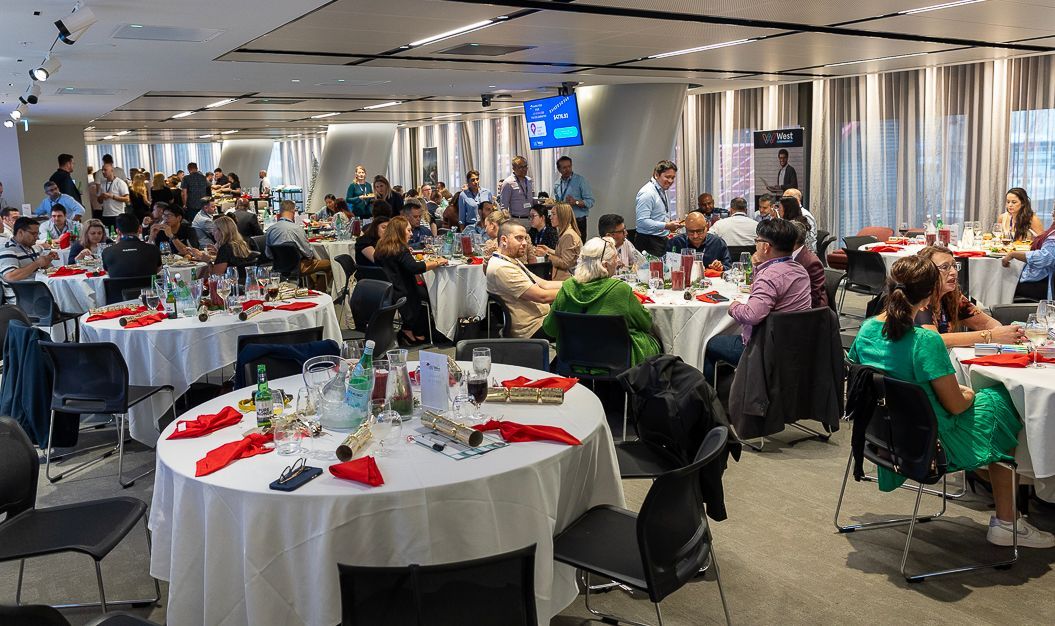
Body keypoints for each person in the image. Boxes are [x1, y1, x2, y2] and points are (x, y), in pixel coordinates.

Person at [849, 255, 1050, 548]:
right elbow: (956, 405)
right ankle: (1008, 520)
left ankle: (1003, 496)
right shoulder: (923, 341)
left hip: (882, 434)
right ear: (929, 296)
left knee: (994, 402)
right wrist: (968, 393)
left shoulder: (867, 329)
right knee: (1003, 402)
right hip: (929, 444)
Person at [702, 219, 811, 379]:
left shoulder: (769, 276)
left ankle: (712, 393)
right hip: (797, 343)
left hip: (766, 348)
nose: (755, 245)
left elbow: (751, 315)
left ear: (765, 247)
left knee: (707, 343)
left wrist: (733, 306)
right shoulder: (800, 271)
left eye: (757, 241)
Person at [543, 237, 662, 366]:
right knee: (657, 341)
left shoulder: (567, 288)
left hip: (573, 362)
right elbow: (646, 323)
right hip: (616, 363)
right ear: (605, 265)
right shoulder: (620, 290)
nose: (618, 262)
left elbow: (550, 329)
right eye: (615, 258)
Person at [913, 246, 1022, 344]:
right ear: (927, 272)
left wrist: (1006, 334)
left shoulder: (952, 296)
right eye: (945, 267)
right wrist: (990, 336)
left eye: (955, 266)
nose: (954, 272)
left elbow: (986, 323)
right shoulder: (919, 299)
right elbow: (933, 340)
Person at [374, 215, 448, 345]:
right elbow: (414, 268)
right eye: (408, 230)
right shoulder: (400, 249)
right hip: (403, 290)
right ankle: (418, 330)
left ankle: (409, 330)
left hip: (388, 288)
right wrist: (437, 262)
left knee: (424, 291)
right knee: (429, 294)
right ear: (399, 231)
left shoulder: (381, 246)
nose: (411, 233)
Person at [486, 221, 564, 339]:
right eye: (519, 238)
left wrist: (576, 282)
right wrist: (576, 290)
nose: (525, 243)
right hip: (533, 328)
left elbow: (545, 284)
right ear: (504, 240)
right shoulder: (502, 268)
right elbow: (543, 297)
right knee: (582, 323)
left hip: (541, 320)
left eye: (525, 238)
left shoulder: (509, 260)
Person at [265, 200, 331, 289]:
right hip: (298, 267)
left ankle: (310, 287)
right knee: (328, 264)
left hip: (278, 268)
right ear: (293, 211)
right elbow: (309, 254)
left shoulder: (270, 230)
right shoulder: (297, 229)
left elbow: (268, 254)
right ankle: (319, 291)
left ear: (280, 212)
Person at [0, 218, 59, 299]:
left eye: (37, 234)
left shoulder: (32, 247)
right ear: (20, 232)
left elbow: (42, 270)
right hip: (23, 297)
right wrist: (37, 263)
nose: (37, 237)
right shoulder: (7, 249)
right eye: (33, 234)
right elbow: (10, 277)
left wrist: (47, 261)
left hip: (39, 292)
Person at [174, 216, 251, 276]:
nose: (213, 233)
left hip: (230, 283)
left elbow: (216, 275)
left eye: (214, 230)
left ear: (222, 231)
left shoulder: (226, 248)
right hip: (242, 279)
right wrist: (218, 253)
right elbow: (233, 261)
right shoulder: (242, 244)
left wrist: (207, 261)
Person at [635, 160, 682, 257]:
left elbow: (659, 215)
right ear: (656, 175)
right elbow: (642, 221)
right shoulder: (647, 193)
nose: (670, 181)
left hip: (660, 240)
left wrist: (670, 224)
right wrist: (666, 225)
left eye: (673, 177)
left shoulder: (661, 189)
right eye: (667, 177)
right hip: (648, 241)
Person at [1002, 216, 1055, 301]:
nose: (1052, 213)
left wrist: (1013, 254)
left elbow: (1044, 258)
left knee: (1005, 284)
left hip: (1043, 282)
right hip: (1042, 278)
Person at [103, 213, 162, 278]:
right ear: (140, 228)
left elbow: (108, 272)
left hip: (119, 285)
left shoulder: (107, 251)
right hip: (147, 284)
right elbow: (158, 270)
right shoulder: (153, 249)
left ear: (118, 231)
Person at [535, 202, 582, 281]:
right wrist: (548, 250)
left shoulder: (568, 236)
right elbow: (564, 254)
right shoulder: (566, 233)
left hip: (565, 280)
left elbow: (565, 263)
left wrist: (546, 255)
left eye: (553, 214)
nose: (550, 217)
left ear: (562, 216)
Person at [552, 156, 594, 237]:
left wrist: (576, 202)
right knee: (563, 244)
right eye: (564, 167)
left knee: (578, 244)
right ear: (559, 169)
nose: (568, 169)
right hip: (563, 222)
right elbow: (558, 203)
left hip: (578, 221)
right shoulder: (557, 184)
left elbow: (590, 202)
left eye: (569, 166)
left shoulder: (580, 181)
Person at [790, 220, 827, 308]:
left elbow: (814, 298)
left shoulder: (812, 262)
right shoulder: (783, 255)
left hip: (811, 309)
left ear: (792, 240)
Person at [499, 156, 534, 220]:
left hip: (530, 219)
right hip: (516, 219)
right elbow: (504, 207)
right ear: (514, 168)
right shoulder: (508, 182)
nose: (524, 169)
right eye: (521, 167)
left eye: (525, 166)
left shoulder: (529, 180)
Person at [97, 164, 130, 230]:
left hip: (117, 214)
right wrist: (102, 197)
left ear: (112, 170)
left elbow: (127, 199)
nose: (103, 172)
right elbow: (99, 201)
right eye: (102, 170)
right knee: (107, 234)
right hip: (106, 215)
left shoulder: (120, 183)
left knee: (118, 233)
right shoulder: (102, 183)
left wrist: (112, 196)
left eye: (105, 170)